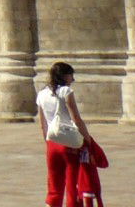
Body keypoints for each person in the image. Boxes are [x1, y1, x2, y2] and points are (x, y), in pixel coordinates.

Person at [37, 61, 93, 207]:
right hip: (68, 142)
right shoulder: (66, 92)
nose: (72, 79)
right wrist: (87, 139)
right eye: (70, 75)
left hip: (52, 142)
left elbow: (42, 124)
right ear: (64, 76)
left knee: (54, 185)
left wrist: (47, 144)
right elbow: (76, 118)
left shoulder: (41, 94)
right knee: (71, 184)